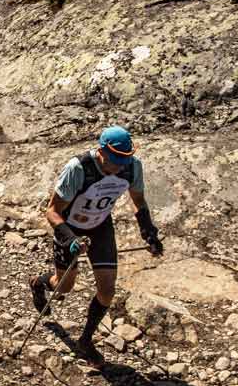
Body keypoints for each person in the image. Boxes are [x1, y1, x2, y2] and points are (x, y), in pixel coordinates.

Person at [29, 125, 162, 360]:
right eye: (114, 160)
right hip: (69, 228)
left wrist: (148, 231)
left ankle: (85, 340)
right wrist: (70, 239)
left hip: (100, 227)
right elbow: (52, 211)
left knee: (107, 290)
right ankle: (38, 283)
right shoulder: (79, 168)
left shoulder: (132, 168)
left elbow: (138, 200)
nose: (119, 167)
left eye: (124, 160)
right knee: (64, 286)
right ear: (101, 151)